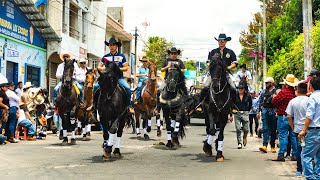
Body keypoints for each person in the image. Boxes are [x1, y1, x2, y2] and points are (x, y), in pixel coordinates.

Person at [199, 33, 237, 111]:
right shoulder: (213, 51)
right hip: (214, 74)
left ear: (226, 41)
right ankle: (200, 104)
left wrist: (228, 67)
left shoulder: (230, 52)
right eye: (219, 40)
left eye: (222, 41)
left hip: (225, 74)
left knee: (233, 88)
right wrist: (211, 66)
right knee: (205, 86)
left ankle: (233, 105)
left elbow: (235, 63)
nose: (221, 42)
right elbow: (208, 62)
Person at [98, 37, 133, 113]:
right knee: (96, 87)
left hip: (119, 78)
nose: (111, 47)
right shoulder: (105, 57)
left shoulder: (121, 56)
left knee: (128, 89)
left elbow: (126, 67)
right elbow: (99, 67)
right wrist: (104, 68)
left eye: (113, 45)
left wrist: (116, 68)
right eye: (110, 45)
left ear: (116, 46)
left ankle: (129, 106)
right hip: (107, 79)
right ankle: (94, 107)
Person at [271, 74, 299, 162]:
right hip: (293, 117)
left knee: (283, 136)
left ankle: (281, 155)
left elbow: (274, 101)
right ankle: (295, 155)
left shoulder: (283, 92)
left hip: (283, 116)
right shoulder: (295, 93)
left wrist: (274, 97)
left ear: (286, 84)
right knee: (293, 136)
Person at [298, 77, 320, 180]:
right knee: (319, 156)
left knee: (306, 155)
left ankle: (310, 177)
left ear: (310, 86)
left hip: (314, 130)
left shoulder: (313, 97)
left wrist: (303, 130)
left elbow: (310, 116)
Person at [286, 82, 308, 177]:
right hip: (308, 129)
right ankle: (308, 170)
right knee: (308, 150)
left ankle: (299, 170)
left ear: (297, 91)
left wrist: (292, 127)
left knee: (300, 149)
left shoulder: (293, 101)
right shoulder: (309, 100)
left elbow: (289, 115)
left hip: (298, 130)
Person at [257, 77, 277, 153]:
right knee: (265, 128)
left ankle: (272, 146)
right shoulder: (263, 92)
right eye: (265, 83)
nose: (266, 84)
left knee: (273, 129)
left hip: (274, 112)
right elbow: (260, 101)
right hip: (265, 112)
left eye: (267, 83)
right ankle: (264, 145)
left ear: (271, 83)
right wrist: (258, 112)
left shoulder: (276, 92)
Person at [233, 81, 252, 149]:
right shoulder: (235, 95)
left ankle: (245, 137)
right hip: (237, 113)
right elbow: (232, 104)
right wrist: (231, 114)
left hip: (245, 112)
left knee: (246, 129)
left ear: (244, 89)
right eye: (239, 88)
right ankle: (239, 142)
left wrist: (248, 110)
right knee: (238, 129)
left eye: (241, 88)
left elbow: (250, 103)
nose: (240, 90)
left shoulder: (248, 95)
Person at [0, 74, 10, 144]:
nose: (7, 88)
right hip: (2, 111)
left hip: (5, 112)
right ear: (2, 87)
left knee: (4, 124)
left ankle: (2, 138)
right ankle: (1, 138)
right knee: (2, 125)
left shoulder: (4, 93)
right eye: (6, 87)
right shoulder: (1, 93)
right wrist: (5, 106)